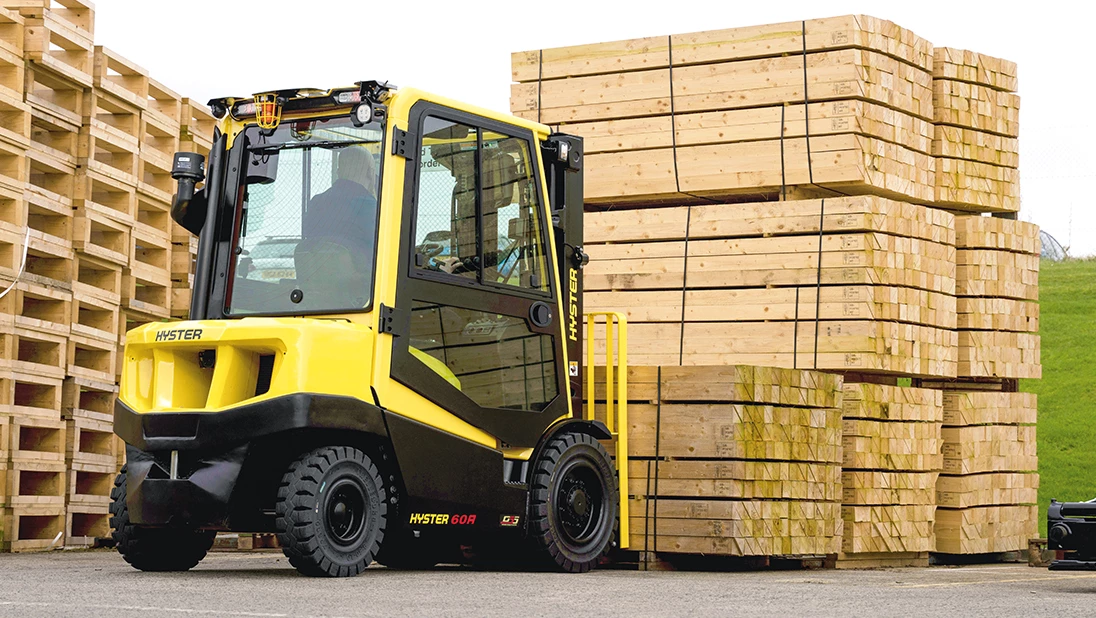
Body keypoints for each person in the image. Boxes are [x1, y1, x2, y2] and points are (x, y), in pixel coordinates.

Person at [302, 146, 378, 270]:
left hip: (318, 282)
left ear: (338, 172)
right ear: (370, 173)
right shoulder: (370, 206)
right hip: (361, 285)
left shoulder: (316, 202)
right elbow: (384, 250)